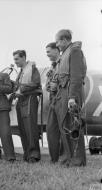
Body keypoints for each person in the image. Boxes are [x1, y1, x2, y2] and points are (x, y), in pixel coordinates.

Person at [47, 29, 87, 166]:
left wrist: (72, 98)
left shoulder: (75, 51)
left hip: (70, 94)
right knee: (65, 127)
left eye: (57, 41)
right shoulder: (65, 54)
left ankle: (77, 161)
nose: (56, 45)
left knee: (73, 126)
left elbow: (76, 76)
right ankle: (67, 159)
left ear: (64, 40)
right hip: (62, 94)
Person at [12, 50, 42, 163]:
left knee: (30, 128)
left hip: (30, 100)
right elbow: (17, 85)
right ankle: (27, 154)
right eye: (14, 59)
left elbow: (36, 83)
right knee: (23, 129)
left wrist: (21, 89)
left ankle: (34, 155)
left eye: (17, 59)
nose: (15, 62)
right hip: (20, 101)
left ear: (24, 57)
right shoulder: (21, 72)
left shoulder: (32, 69)